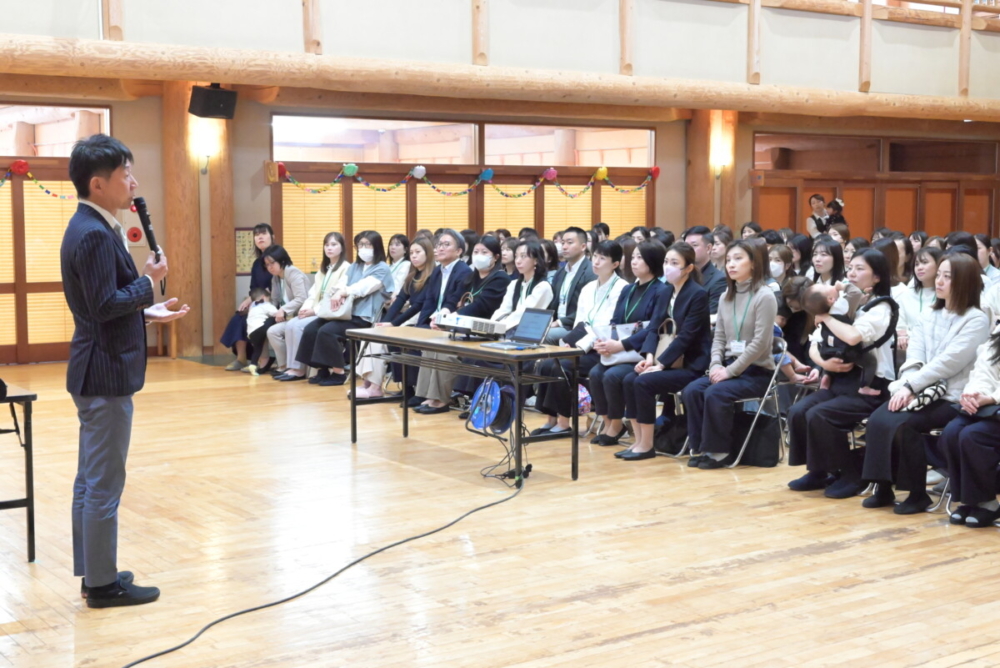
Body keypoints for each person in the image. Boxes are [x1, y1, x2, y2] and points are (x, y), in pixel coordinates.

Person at [62, 134, 190, 607]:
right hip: (105, 373)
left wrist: (146, 311)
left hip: (94, 366)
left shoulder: (89, 224)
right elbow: (102, 305)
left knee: (90, 479)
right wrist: (148, 283)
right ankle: (102, 585)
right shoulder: (95, 233)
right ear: (98, 184)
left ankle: (94, 571)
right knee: (103, 483)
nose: (133, 183)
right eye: (125, 174)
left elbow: (105, 306)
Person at [861, 253, 990, 514]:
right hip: (918, 388)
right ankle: (883, 487)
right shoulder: (930, 313)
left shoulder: (976, 318)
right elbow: (915, 355)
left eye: (947, 276)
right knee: (878, 418)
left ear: (964, 281)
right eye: (939, 274)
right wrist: (907, 386)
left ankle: (917, 494)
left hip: (951, 396)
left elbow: (949, 362)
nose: (939, 281)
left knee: (904, 424)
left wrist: (912, 388)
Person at [786, 249, 898, 499]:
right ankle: (819, 470)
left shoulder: (882, 307)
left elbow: (853, 336)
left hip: (869, 385)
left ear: (877, 276)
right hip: (839, 380)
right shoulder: (843, 301)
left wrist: (824, 317)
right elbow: (814, 343)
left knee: (820, 415)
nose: (852, 273)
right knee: (798, 411)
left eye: (861, 268)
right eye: (851, 267)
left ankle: (851, 473)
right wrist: (825, 364)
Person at [682, 240, 776, 469]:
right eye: (728, 260)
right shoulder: (727, 296)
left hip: (756, 372)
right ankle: (700, 447)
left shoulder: (765, 296)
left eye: (738, 259)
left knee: (716, 393)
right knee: (692, 390)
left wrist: (730, 371)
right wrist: (715, 365)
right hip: (728, 367)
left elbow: (760, 343)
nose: (731, 264)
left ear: (753, 263)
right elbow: (719, 337)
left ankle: (719, 452)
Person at [617, 242, 712, 460]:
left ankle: (647, 445)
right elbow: (654, 328)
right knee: (630, 379)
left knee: (643, 382)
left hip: (691, 364)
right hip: (666, 359)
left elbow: (686, 337)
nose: (668, 267)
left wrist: (661, 365)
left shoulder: (697, 294)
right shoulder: (666, 290)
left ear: (688, 268)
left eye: (675, 263)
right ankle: (638, 441)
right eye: (666, 261)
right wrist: (649, 358)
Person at [532, 240, 626, 437]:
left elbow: (605, 326)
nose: (596, 262)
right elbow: (580, 323)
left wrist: (578, 347)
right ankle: (551, 419)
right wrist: (571, 342)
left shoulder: (621, 288)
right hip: (583, 343)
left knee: (562, 365)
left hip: (603, 348)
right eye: (595, 256)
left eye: (602, 258)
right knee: (547, 363)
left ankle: (564, 423)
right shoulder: (589, 287)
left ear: (615, 264)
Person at [410, 236, 511, 414]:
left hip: (484, 333)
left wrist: (453, 317)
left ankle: (441, 399)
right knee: (432, 345)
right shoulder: (471, 277)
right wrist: (443, 314)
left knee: (445, 352)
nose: (479, 255)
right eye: (476, 252)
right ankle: (427, 395)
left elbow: (480, 305)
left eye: (484, 252)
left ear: (496, 257)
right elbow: (454, 299)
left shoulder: (500, 278)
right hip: (463, 329)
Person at [589, 240, 669, 445]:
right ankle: (608, 422)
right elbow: (615, 322)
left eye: (640, 257)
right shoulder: (628, 289)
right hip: (620, 349)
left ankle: (617, 425)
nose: (634, 261)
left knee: (613, 376)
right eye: (633, 257)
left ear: (653, 261)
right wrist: (605, 342)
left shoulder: (661, 290)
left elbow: (653, 328)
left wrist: (622, 345)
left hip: (642, 352)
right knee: (595, 373)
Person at [296, 230, 394, 387]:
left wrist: (343, 292)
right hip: (344, 313)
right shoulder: (355, 266)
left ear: (377, 246)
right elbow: (342, 283)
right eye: (360, 245)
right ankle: (322, 369)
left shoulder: (382, 268)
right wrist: (339, 291)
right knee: (311, 329)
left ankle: (338, 373)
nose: (363, 248)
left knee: (327, 331)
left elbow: (364, 287)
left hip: (363, 317)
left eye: (368, 245)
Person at [939, 324, 1000, 527]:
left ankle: (988, 502)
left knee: (973, 436)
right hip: (990, 405)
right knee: (952, 432)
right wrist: (974, 395)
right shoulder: (998, 333)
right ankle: (969, 499)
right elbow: (983, 371)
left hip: (994, 402)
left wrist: (991, 398)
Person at [272, 232, 350, 382]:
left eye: (334, 244)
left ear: (342, 247)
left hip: (329, 312)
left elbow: (335, 296)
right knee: (291, 324)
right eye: (326, 245)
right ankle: (292, 366)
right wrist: (305, 309)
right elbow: (313, 293)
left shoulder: (346, 268)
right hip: (316, 310)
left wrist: (314, 311)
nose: (329, 248)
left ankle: (299, 369)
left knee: (298, 326)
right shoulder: (323, 269)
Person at [247, 244, 309, 376]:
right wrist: (263, 310)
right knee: (264, 328)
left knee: (272, 331)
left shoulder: (293, 273)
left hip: (302, 315)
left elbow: (301, 298)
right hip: (287, 317)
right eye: (267, 265)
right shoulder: (276, 277)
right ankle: (283, 365)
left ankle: (288, 366)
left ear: (282, 260)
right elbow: (275, 300)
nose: (269, 267)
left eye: (272, 263)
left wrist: (283, 310)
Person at [220, 223, 274, 371]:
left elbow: (274, 286)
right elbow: (253, 288)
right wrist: (250, 300)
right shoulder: (257, 264)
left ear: (272, 237)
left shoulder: (277, 259)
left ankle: (261, 360)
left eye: (264, 233)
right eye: (257, 235)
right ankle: (241, 358)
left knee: (254, 319)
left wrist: (253, 299)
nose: (260, 237)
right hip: (258, 301)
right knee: (239, 317)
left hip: (273, 303)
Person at [546, 226, 596, 344]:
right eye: (563, 243)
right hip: (557, 323)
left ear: (583, 246)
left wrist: (560, 322)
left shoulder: (591, 272)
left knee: (545, 336)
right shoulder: (561, 272)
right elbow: (552, 303)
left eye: (569, 243)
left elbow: (588, 309)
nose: (564, 247)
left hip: (575, 326)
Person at [896, 246, 941, 353]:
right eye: (916, 264)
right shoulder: (906, 294)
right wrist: (902, 335)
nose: (919, 267)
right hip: (908, 348)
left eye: (925, 262)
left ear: (939, 265)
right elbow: (900, 323)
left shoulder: (946, 295)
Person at [681, 225, 726, 316]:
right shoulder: (680, 275)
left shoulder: (719, 280)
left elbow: (710, 315)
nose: (688, 250)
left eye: (694, 245)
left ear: (708, 248)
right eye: (686, 246)